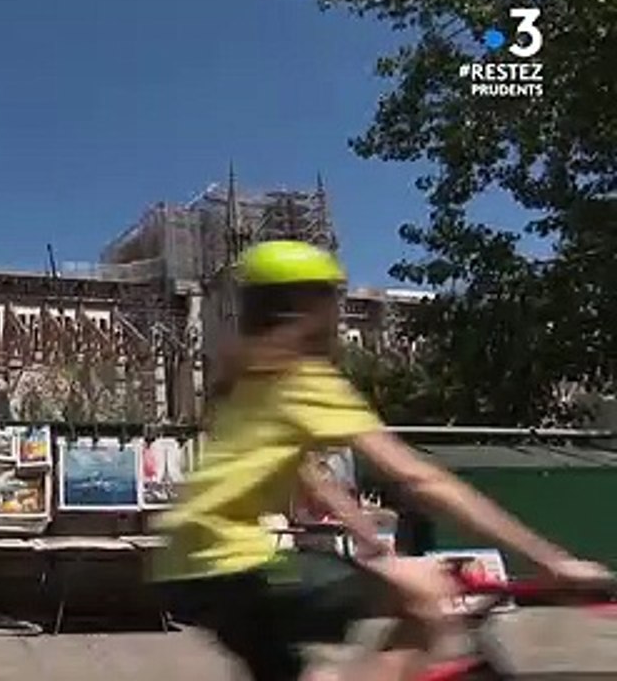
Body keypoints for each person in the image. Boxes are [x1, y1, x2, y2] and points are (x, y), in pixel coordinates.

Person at [150, 240, 611, 681]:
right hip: (233, 564)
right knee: (420, 601)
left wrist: (367, 536)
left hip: (182, 565)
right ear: (313, 307)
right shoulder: (304, 378)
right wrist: (553, 561)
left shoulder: (243, 379)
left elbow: (305, 471)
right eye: (334, 298)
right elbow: (421, 478)